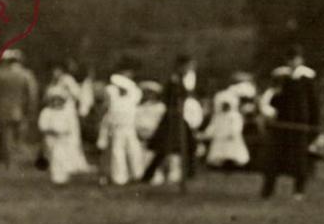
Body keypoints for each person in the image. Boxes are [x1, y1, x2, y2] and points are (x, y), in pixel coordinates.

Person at [261, 47, 319, 199]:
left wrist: (314, 126)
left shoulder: (307, 78)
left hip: (300, 124)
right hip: (282, 123)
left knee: (300, 159)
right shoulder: (281, 77)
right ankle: (268, 190)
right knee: (274, 157)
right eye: (290, 59)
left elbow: (313, 104)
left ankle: (298, 191)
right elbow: (272, 100)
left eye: (296, 58)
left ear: (301, 60)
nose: (293, 62)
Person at [145, 55, 194, 186]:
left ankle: (188, 173)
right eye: (187, 67)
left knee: (188, 144)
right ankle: (149, 174)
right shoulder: (174, 80)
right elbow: (167, 97)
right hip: (172, 117)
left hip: (178, 115)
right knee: (164, 147)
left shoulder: (182, 80)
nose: (188, 69)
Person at [0, 50, 37, 170]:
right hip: (20, 110)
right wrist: (31, 110)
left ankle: (8, 163)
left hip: (2, 110)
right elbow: (32, 94)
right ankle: (6, 162)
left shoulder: (0, 74)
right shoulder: (27, 74)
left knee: (6, 137)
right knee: (17, 137)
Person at [97, 73, 144, 186]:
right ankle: (120, 178)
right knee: (117, 153)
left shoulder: (132, 98)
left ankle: (138, 175)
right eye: (119, 88)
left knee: (134, 151)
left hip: (130, 129)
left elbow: (137, 92)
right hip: (117, 130)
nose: (121, 90)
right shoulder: (114, 100)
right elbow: (108, 116)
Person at [38, 88, 78, 185]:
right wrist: (50, 130)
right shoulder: (46, 111)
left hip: (63, 138)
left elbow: (71, 126)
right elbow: (42, 125)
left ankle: (62, 176)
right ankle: (56, 176)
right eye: (54, 100)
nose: (56, 103)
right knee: (54, 156)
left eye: (59, 100)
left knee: (61, 156)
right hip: (51, 138)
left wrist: (63, 131)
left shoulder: (67, 112)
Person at [202, 90, 250, 169]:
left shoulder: (234, 115)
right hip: (220, 137)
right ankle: (220, 164)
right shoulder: (218, 116)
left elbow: (237, 126)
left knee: (234, 153)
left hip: (231, 137)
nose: (224, 106)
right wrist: (207, 133)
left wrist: (234, 132)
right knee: (218, 154)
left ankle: (233, 165)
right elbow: (213, 126)